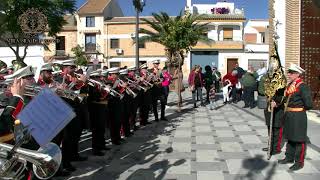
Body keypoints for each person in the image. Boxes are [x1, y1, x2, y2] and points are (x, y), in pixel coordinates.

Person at [277, 64, 313, 171]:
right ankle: (289, 157)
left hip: (298, 116)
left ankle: (299, 162)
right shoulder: (290, 85)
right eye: (289, 72)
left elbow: (309, 104)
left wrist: (299, 109)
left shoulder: (302, 86)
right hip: (289, 115)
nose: (289, 74)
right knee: (290, 137)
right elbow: (285, 98)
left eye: (291, 73)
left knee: (298, 139)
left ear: (297, 74)